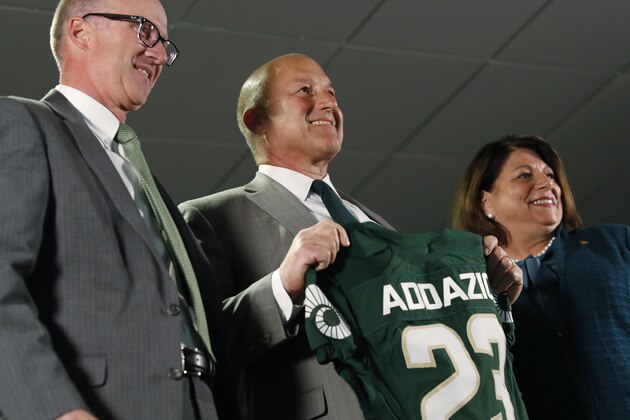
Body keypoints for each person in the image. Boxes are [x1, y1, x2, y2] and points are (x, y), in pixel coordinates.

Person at [180, 53, 523, 419]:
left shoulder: (376, 223)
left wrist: (486, 289)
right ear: (258, 119)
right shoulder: (210, 217)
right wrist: (283, 285)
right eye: (305, 90)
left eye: (331, 92)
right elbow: (195, 339)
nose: (328, 102)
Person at [0, 0, 234, 419]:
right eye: (145, 30)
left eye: (165, 43)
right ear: (79, 33)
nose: (160, 54)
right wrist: (56, 411)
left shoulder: (150, 186)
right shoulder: (24, 124)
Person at [452, 134, 630, 419]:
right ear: (486, 202)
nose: (547, 183)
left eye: (550, 175)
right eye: (524, 175)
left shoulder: (616, 243)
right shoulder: (472, 286)